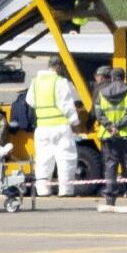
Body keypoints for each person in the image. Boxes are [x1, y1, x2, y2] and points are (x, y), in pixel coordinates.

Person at [25, 56, 80, 197]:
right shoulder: (60, 82)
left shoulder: (35, 82)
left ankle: (42, 190)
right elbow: (67, 105)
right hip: (60, 127)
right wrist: (75, 123)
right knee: (65, 159)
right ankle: (65, 191)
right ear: (59, 66)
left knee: (43, 160)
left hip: (42, 127)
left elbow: (30, 100)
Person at [95, 67, 127, 206]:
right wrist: (119, 126)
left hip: (109, 135)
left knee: (110, 166)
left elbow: (99, 114)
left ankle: (110, 198)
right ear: (124, 77)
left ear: (111, 78)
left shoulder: (102, 93)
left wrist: (110, 127)